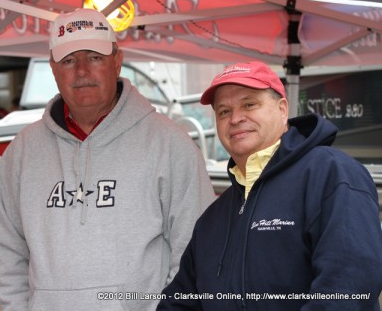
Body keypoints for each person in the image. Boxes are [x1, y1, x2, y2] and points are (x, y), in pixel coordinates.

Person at [0, 8, 215, 310]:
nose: (81, 71)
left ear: (117, 61)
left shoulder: (170, 144)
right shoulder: (22, 152)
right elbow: (6, 251)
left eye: (95, 57)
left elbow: (196, 250)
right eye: (68, 60)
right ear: (53, 69)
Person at [157, 61, 382, 310]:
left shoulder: (330, 174)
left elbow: (347, 288)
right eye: (223, 111)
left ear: (282, 109)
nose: (235, 118)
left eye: (249, 104)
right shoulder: (213, 217)